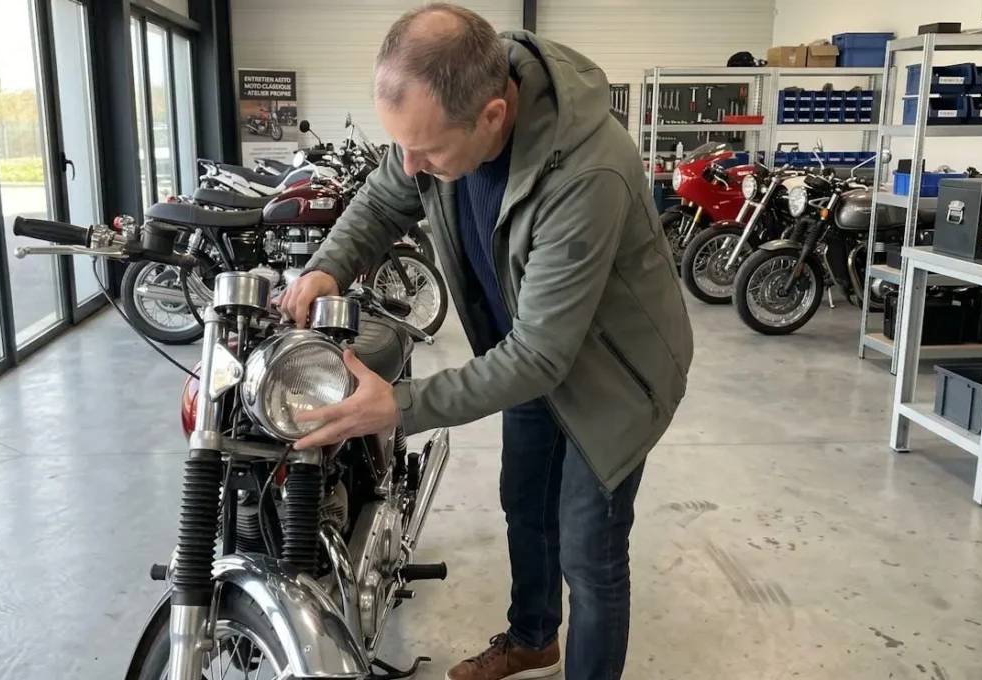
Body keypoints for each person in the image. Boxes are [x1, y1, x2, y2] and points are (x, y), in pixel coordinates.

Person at [278, 4, 694, 679]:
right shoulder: (441, 123)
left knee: (590, 553)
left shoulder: (588, 170)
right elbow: (387, 196)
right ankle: (533, 638)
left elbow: (543, 355)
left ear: (495, 116)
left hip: (614, 378)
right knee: (525, 503)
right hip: (527, 351)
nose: (411, 163)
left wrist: (399, 405)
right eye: (401, 144)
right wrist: (328, 265)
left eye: (427, 151)